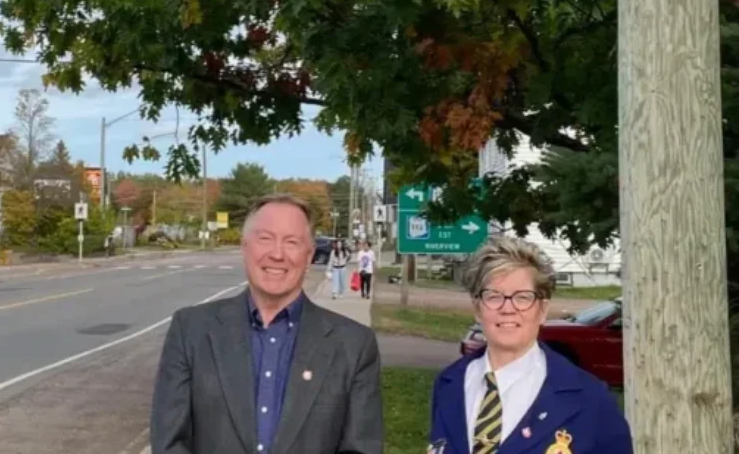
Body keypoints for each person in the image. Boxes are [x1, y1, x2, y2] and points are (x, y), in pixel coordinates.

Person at [150, 193, 383, 454]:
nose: (277, 254)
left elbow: (361, 448)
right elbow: (169, 443)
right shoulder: (190, 331)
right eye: (265, 239)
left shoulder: (354, 345)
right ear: (244, 247)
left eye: (292, 242)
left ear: (308, 256)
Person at [428, 236, 632, 454]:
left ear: (542, 310)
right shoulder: (450, 384)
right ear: (478, 308)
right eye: (494, 296)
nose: (508, 308)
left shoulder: (590, 399)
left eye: (523, 297)